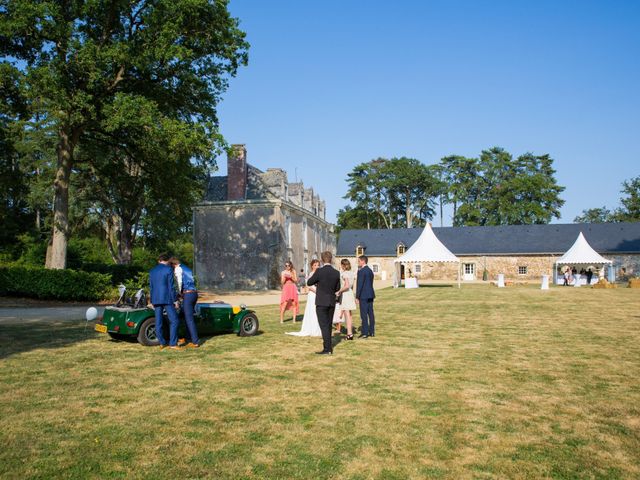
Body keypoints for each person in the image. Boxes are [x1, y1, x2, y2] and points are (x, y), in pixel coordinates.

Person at [307, 251, 341, 355]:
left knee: (324, 325)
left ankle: (327, 349)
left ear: (322, 260)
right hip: (331, 301)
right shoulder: (336, 272)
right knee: (329, 324)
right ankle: (328, 347)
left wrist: (318, 282)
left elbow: (309, 282)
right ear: (331, 259)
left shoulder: (319, 271)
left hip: (321, 301)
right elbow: (337, 288)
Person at [149, 253, 181, 350]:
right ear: (167, 261)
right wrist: (175, 300)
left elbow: (151, 287)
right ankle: (173, 343)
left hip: (156, 299)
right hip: (167, 298)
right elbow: (171, 286)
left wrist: (151, 300)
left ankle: (162, 342)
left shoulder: (152, 271)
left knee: (158, 321)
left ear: (159, 260)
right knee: (174, 320)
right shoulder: (168, 269)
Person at [170, 257, 200, 348]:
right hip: (194, 294)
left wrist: (179, 293)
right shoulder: (186, 268)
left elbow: (179, 282)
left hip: (188, 294)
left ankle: (195, 341)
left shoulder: (178, 269)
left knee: (189, 318)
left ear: (173, 264)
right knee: (186, 315)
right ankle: (188, 337)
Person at [286, 260, 322, 337]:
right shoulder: (311, 274)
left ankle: (317, 328)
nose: (317, 267)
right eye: (315, 265)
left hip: (318, 294)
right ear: (312, 266)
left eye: (318, 265)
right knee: (312, 310)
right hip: (313, 294)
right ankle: (311, 328)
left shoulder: (319, 274)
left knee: (318, 311)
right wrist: (316, 291)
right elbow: (309, 285)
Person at [356, 255, 376, 338]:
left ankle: (364, 332)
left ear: (363, 261)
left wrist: (357, 296)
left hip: (364, 295)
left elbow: (359, 285)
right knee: (370, 313)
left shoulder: (361, 271)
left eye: (359, 261)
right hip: (370, 294)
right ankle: (371, 331)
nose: (358, 262)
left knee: (363, 314)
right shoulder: (370, 271)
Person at [336, 258, 357, 340]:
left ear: (343, 265)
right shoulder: (351, 273)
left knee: (347, 314)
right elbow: (351, 286)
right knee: (350, 315)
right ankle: (350, 332)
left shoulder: (344, 274)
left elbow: (347, 285)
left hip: (346, 294)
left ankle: (349, 333)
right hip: (350, 293)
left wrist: (339, 291)